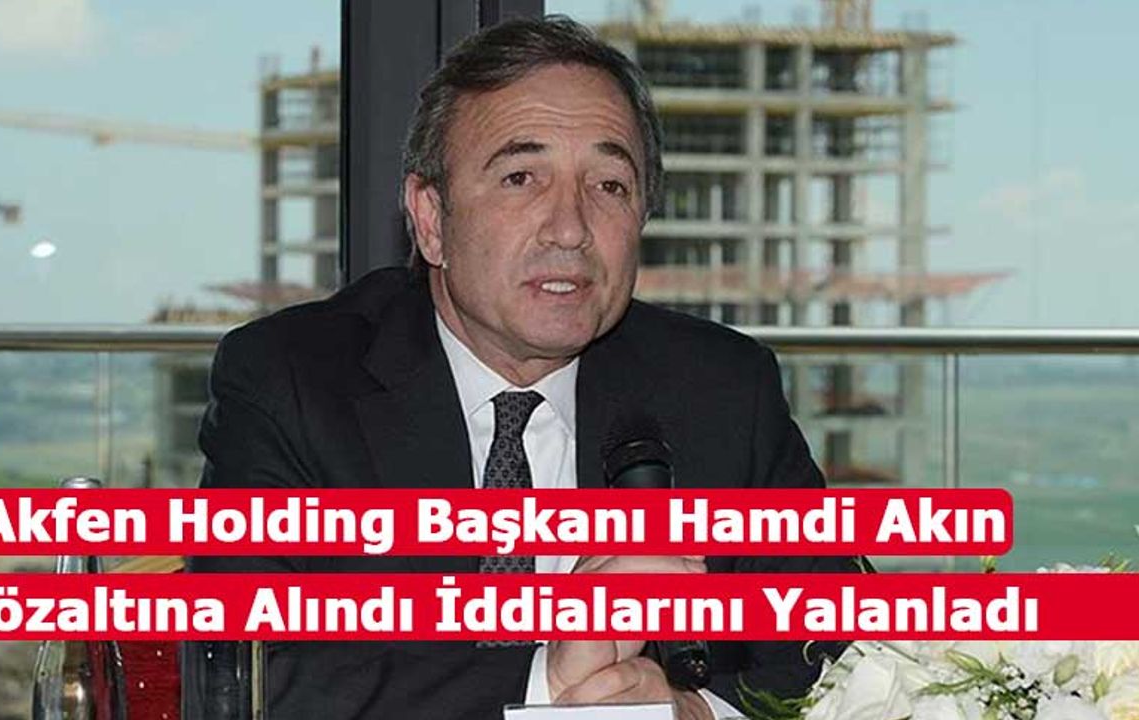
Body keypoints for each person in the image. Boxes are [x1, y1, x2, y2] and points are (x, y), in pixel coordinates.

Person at [192, 15, 854, 720]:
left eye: (609, 186)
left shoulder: (722, 389)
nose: (570, 228)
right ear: (431, 219)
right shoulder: (293, 381)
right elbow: (244, 672)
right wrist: (546, 685)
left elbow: (849, 655)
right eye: (520, 178)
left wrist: (696, 712)